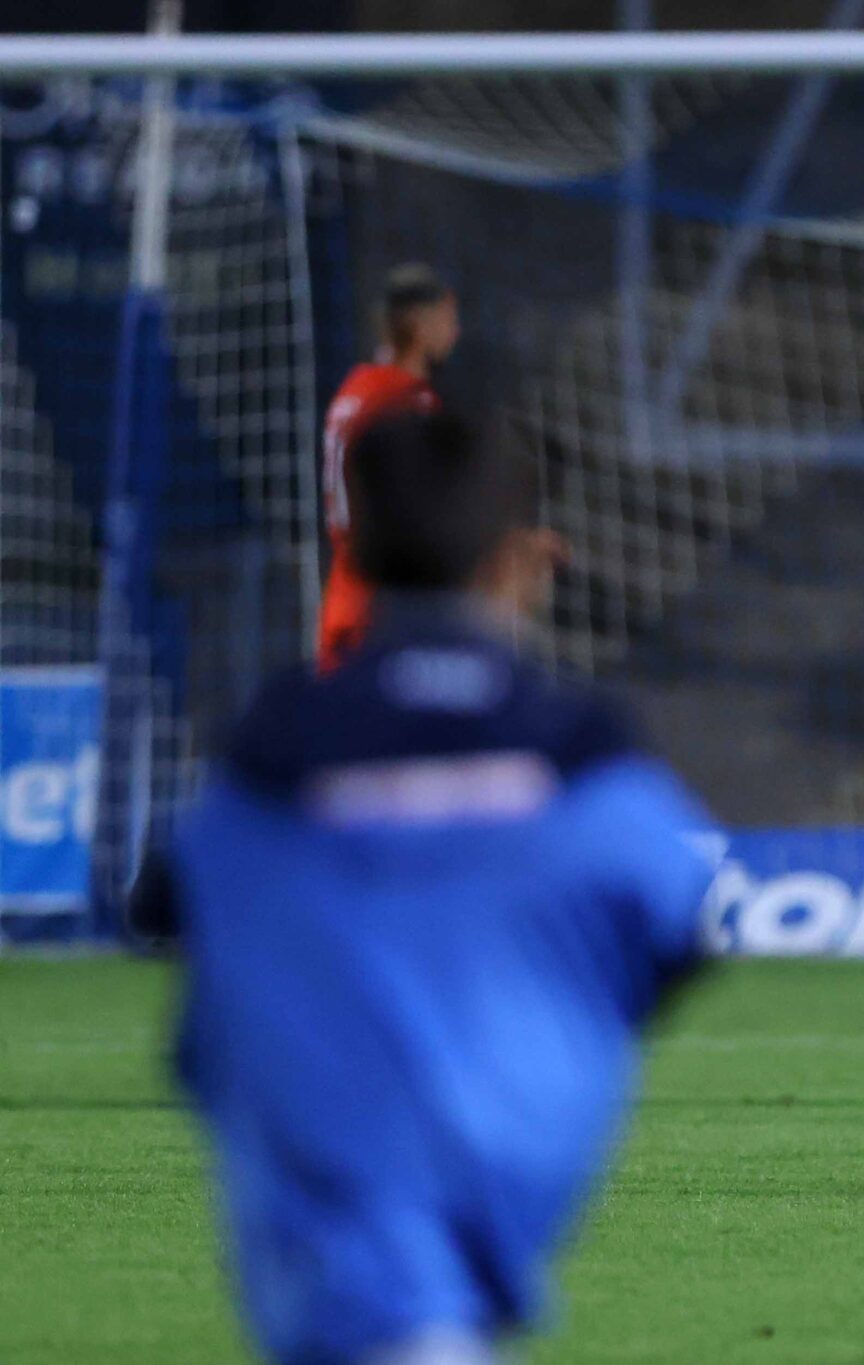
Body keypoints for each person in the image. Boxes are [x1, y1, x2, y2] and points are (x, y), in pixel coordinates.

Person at [168, 410, 721, 1363]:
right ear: (528, 560)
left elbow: (175, 908)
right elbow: (678, 919)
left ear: (354, 552)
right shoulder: (578, 748)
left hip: (329, 1237)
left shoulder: (268, 750)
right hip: (442, 1251)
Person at [316, 264, 460, 671]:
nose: (455, 333)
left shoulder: (355, 390)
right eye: (449, 319)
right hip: (388, 616)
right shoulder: (408, 403)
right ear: (419, 323)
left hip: (343, 601)